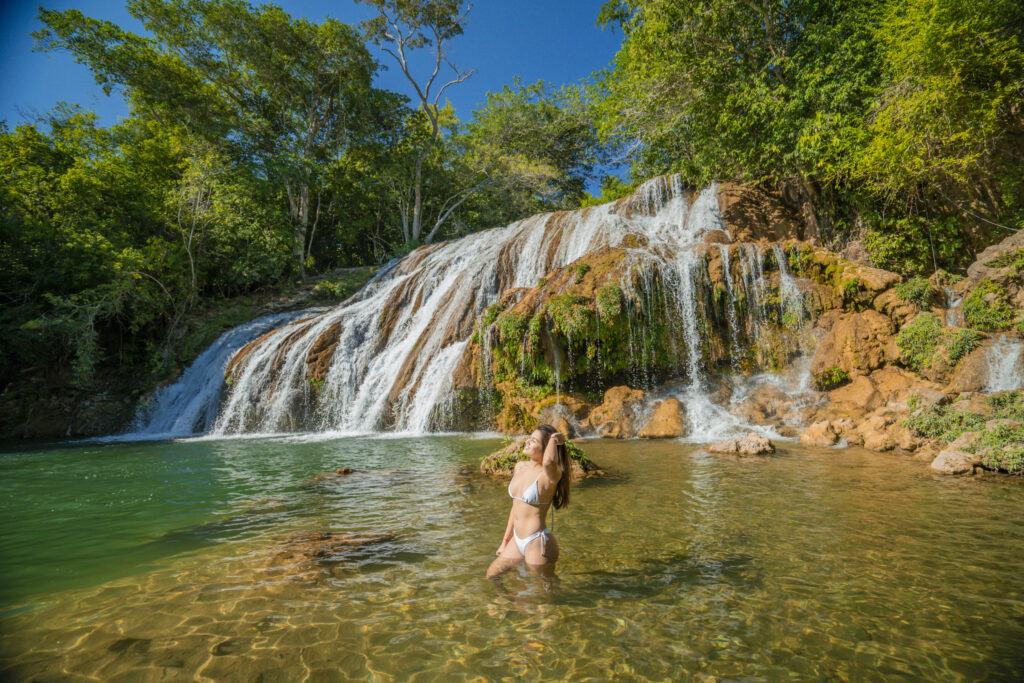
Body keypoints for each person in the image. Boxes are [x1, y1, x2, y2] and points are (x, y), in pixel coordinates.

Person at [486, 424, 570, 578]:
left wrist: (554, 440)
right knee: (492, 575)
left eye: (533, 441)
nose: (527, 442)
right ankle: (507, 601)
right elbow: (515, 507)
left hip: (537, 542)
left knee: (540, 595)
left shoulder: (550, 475)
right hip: (517, 540)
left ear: (545, 448)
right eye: (529, 439)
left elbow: (549, 462)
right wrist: (505, 541)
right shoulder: (520, 467)